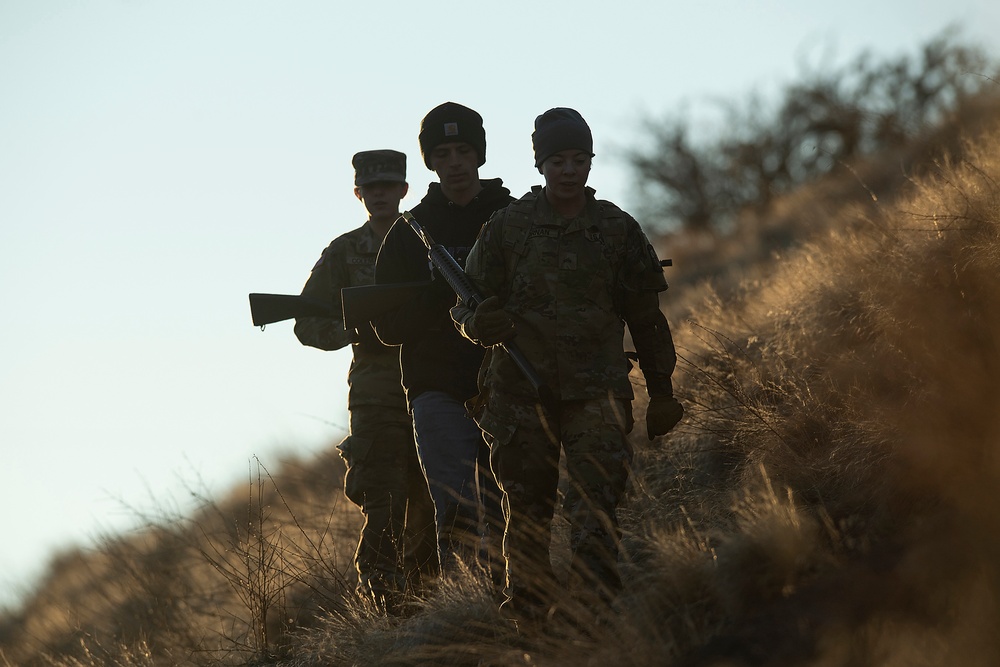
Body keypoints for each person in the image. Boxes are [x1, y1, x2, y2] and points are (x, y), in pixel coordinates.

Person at [451, 108, 685, 620]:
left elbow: (646, 318)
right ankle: (531, 617)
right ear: (541, 165)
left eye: (580, 159)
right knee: (528, 510)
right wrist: (477, 324)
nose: (569, 170)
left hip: (596, 391)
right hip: (518, 393)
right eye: (558, 160)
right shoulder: (508, 228)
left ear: (591, 163)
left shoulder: (617, 229)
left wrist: (662, 389)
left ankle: (595, 613)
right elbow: (465, 302)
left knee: (596, 503)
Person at [372, 102, 511, 583]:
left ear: (479, 155)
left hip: (509, 381)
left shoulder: (514, 216)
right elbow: (385, 326)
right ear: (430, 161)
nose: (454, 161)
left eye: (464, 150)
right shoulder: (410, 231)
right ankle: (465, 607)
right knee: (455, 507)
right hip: (437, 389)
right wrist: (438, 296)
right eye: (443, 152)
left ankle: (516, 597)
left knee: (509, 502)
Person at [294, 149, 437, 613]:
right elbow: (306, 321)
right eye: (371, 188)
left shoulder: (427, 239)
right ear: (359, 193)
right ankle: (383, 598)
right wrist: (348, 330)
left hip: (434, 381)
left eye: (389, 186)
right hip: (376, 389)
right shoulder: (342, 252)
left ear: (404, 190)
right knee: (383, 494)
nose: (380, 195)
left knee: (434, 494)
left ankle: (428, 593)